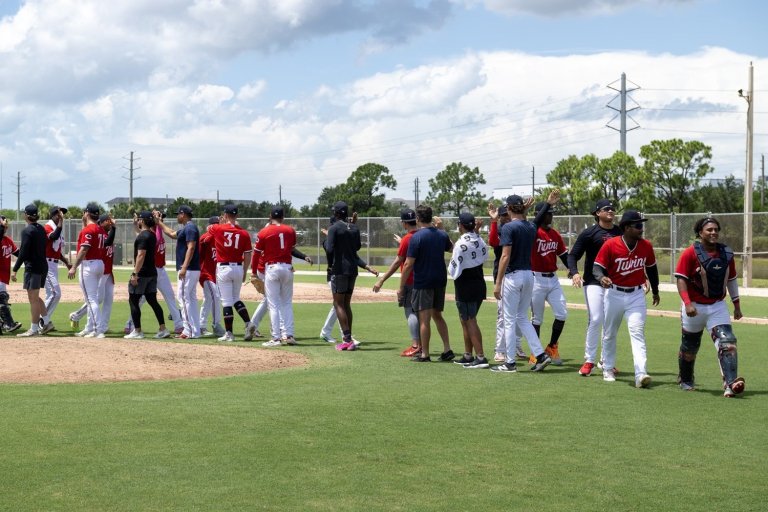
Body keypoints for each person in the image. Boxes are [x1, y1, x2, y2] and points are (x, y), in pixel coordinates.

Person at [674, 217, 745, 397]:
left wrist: (736, 304)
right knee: (690, 347)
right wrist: (687, 303)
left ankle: (730, 384)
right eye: (709, 230)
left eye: (716, 229)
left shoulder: (726, 254)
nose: (713, 232)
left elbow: (731, 279)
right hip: (694, 307)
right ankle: (686, 379)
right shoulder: (690, 253)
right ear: (700, 233)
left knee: (727, 342)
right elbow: (681, 279)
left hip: (717, 306)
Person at [492, 192, 559, 372]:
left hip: (513, 276)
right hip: (530, 275)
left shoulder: (507, 227)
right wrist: (546, 204)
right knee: (522, 317)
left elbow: (505, 256)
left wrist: (497, 283)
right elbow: (532, 221)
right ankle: (541, 355)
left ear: (508, 208)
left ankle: (510, 362)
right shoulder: (530, 227)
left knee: (509, 318)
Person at [593, 210, 660, 388]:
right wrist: (601, 278)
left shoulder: (646, 246)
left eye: (642, 225)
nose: (641, 229)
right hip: (614, 294)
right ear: (627, 228)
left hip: (636, 295)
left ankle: (640, 373)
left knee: (637, 332)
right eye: (638, 226)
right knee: (609, 333)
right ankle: (607, 367)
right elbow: (597, 267)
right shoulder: (611, 245)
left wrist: (655, 290)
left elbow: (652, 269)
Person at [567, 199, 623, 377]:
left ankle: (606, 360)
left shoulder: (620, 232)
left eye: (613, 209)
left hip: (615, 284)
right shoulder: (589, 233)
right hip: (593, 282)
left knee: (610, 324)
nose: (611, 211)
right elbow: (573, 255)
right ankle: (589, 360)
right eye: (607, 209)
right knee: (596, 318)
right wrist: (575, 273)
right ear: (597, 213)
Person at [398, 205, 454, 362]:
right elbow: (452, 248)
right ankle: (447, 349)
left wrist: (401, 287)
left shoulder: (417, 237)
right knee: (438, 315)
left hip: (423, 281)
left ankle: (425, 354)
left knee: (424, 319)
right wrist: (442, 229)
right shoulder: (442, 235)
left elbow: (408, 264)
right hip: (440, 280)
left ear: (418, 219)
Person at [520, 201, 570, 365]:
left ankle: (552, 347)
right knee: (537, 318)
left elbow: (563, 255)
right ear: (539, 215)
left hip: (553, 279)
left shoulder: (555, 234)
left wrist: (573, 270)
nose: (550, 215)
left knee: (562, 313)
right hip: (536, 279)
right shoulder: (533, 232)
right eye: (547, 213)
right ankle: (536, 353)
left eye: (551, 213)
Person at [253, 206, 307, 347]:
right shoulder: (290, 230)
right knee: (287, 303)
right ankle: (289, 335)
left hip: (272, 268)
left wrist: (253, 272)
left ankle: (276, 338)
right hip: (287, 268)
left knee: (273, 304)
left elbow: (256, 254)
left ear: (270, 216)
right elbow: (291, 249)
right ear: (283, 217)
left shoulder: (264, 231)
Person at [372, 208, 421, 356]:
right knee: (420, 314)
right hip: (422, 280)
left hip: (410, 280)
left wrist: (382, 280)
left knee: (410, 312)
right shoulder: (420, 235)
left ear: (404, 223)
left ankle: (415, 345)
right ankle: (422, 345)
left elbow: (397, 262)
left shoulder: (407, 239)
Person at [448, 212, 489, 369]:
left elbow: (454, 268)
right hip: (479, 284)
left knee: (470, 320)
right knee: (465, 320)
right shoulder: (478, 238)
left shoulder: (460, 244)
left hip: (465, 286)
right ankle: (467, 355)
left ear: (461, 225)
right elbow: (481, 253)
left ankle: (480, 357)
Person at [209, 204, 255, 342]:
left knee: (226, 302)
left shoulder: (218, 228)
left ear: (225, 215)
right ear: (237, 216)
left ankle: (229, 333)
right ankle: (248, 323)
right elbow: (248, 255)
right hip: (238, 268)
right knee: (235, 299)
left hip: (224, 268)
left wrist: (222, 222)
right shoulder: (244, 233)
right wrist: (245, 270)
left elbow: (209, 228)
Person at [487, 203, 525, 362]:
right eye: (502, 215)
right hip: (503, 275)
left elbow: (527, 226)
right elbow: (493, 242)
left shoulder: (516, 228)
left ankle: (515, 344)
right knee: (503, 315)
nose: (505, 217)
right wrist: (494, 222)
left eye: (505, 215)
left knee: (520, 314)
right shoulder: (502, 229)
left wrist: (525, 212)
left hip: (519, 274)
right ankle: (500, 349)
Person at [156, 205, 201, 339]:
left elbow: (191, 248)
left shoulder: (190, 228)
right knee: (191, 299)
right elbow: (171, 233)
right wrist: (159, 222)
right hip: (191, 269)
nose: (177, 216)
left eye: (178, 214)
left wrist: (184, 267)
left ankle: (188, 331)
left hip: (188, 269)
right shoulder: (186, 228)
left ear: (183, 214)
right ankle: (195, 330)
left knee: (183, 298)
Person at [124, 211, 171, 339]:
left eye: (139, 219)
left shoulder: (143, 236)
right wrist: (135, 225)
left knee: (133, 300)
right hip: (152, 273)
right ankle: (163, 329)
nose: (138, 220)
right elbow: (140, 237)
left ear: (143, 221)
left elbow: (141, 254)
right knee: (153, 301)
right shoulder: (151, 235)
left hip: (142, 273)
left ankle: (138, 331)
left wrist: (135, 273)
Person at [325, 201, 364, 351]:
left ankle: (347, 340)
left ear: (336, 213)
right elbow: (358, 247)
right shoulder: (354, 228)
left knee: (338, 303)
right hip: (352, 270)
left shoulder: (334, 228)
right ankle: (349, 338)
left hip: (339, 269)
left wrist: (330, 264)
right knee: (346, 303)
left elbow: (329, 249)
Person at [69, 214, 116, 334]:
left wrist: (113, 228)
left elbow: (106, 241)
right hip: (100, 269)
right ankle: (88, 325)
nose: (110, 223)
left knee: (104, 300)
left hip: (106, 272)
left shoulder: (101, 232)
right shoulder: (99, 233)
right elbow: (102, 242)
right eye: (107, 221)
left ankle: (99, 326)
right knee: (95, 299)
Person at [12, 204, 49, 337]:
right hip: (43, 266)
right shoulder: (41, 229)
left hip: (32, 267)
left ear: (26, 215)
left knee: (32, 299)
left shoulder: (27, 231)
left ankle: (33, 329)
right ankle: (47, 322)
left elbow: (23, 253)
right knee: (36, 296)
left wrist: (15, 269)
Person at [38, 206, 72, 333]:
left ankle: (45, 322)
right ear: (53, 215)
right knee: (55, 293)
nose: (61, 216)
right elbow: (53, 237)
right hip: (46, 264)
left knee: (50, 294)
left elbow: (57, 251)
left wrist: (67, 262)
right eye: (59, 214)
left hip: (54, 264)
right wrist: (61, 223)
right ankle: (42, 321)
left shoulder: (58, 228)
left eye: (62, 214)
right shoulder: (48, 227)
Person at [198, 216, 225, 337]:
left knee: (208, 299)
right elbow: (198, 255)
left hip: (216, 274)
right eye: (214, 224)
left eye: (218, 224)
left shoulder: (221, 238)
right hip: (205, 273)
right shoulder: (205, 237)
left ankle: (201, 325)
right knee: (215, 296)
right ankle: (216, 325)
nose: (216, 226)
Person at [0, 216, 22, 333]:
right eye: (3, 226)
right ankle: (9, 324)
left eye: (6, 226)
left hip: (3, 277)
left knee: (2, 298)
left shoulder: (8, 240)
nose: (5, 228)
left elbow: (19, 254)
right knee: (2, 299)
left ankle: (3, 324)